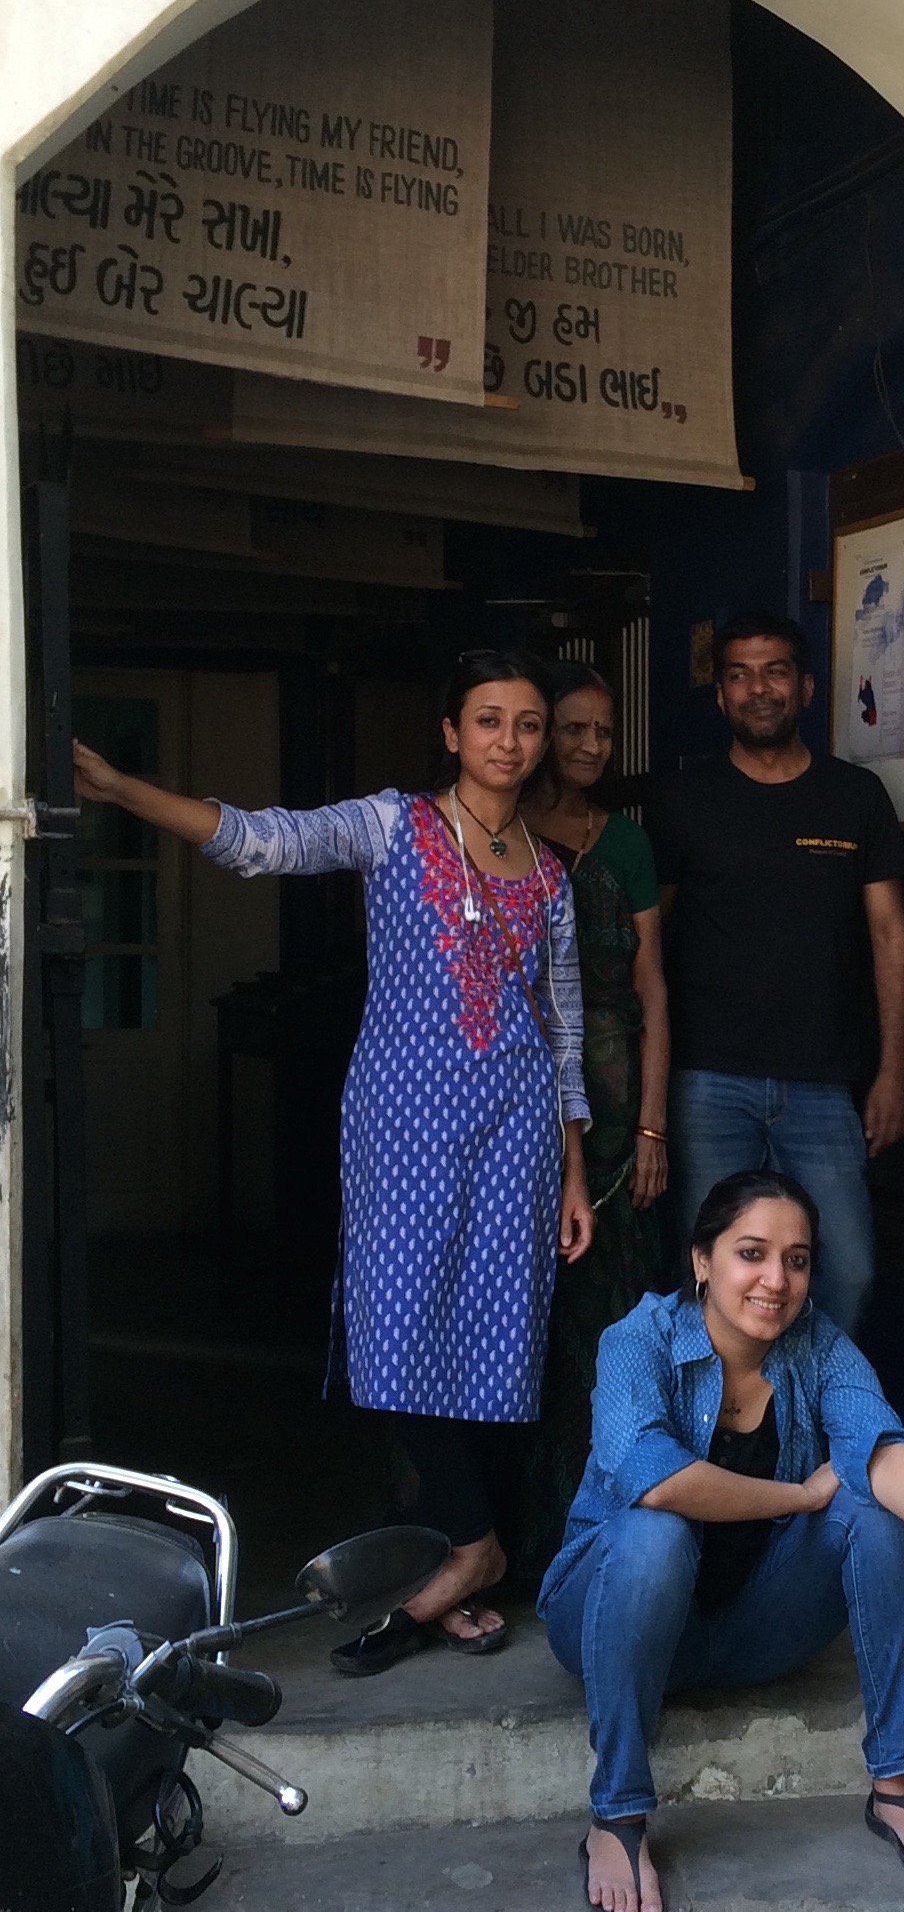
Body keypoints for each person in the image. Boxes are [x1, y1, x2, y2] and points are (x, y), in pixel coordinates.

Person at [71, 651, 596, 1672]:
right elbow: (263, 842)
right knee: (393, 1330)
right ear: (451, 730)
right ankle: (474, 1545)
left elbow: (563, 1023)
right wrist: (124, 787)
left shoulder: (547, 871)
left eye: (529, 724)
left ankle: (454, 1562)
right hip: (401, 1120)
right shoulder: (394, 823)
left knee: (496, 1329)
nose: (510, 742)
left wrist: (575, 1167)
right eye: (489, 720)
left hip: (519, 1126)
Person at [539, 1167, 904, 1912]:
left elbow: (878, 1441)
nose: (775, 1280)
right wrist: (797, 1496)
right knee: (657, 1532)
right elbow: (654, 1478)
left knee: (882, 1507)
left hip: (754, 1630)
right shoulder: (639, 1340)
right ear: (702, 1260)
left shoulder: (816, 1345)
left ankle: (895, 1787)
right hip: (613, 1617)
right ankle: (617, 1814)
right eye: (751, 1253)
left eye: (796, 1259)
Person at [648, 610, 904, 1334]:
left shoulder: (854, 797)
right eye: (738, 674)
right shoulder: (681, 801)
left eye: (772, 672)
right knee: (712, 1281)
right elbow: (645, 947)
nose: (756, 688)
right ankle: (722, 1437)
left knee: (847, 1275)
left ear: (803, 687)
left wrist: (894, 1071)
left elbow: (890, 936)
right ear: (721, 695)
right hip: (708, 1081)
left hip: (826, 1085)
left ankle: (813, 1437)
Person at [514, 661, 671, 1578]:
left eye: (601, 733)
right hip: (520, 1089)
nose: (586, 747)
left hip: (615, 1106)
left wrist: (652, 1125)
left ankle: (607, 1526)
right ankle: (517, 1538)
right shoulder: (497, 838)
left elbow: (653, 988)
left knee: (612, 1317)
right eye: (568, 728)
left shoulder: (628, 845)